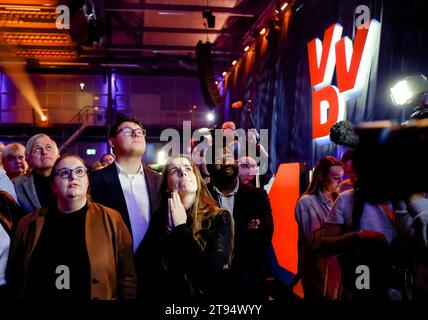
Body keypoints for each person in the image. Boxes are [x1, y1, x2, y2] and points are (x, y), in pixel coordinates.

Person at [7, 153, 136, 300]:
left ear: (88, 181)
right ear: (53, 185)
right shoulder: (28, 224)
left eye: (79, 171)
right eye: (64, 173)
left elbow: (127, 277)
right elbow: (15, 277)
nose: (72, 177)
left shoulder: (112, 219)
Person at [144, 155, 233, 302]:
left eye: (187, 168)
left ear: (197, 179)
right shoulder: (159, 218)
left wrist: (181, 228)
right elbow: (148, 270)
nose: (183, 173)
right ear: (166, 185)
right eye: (174, 171)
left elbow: (212, 279)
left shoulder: (219, 217)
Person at [90, 114, 161, 297]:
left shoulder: (159, 181)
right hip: (112, 273)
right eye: (128, 131)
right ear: (112, 142)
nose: (136, 135)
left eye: (139, 132)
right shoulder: (95, 181)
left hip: (155, 273)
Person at [206, 148, 273, 302]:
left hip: (249, 282)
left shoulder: (257, 196)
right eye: (218, 159)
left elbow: (264, 237)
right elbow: (202, 240)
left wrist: (222, 239)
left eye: (229, 157)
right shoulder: (202, 197)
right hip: (213, 283)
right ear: (209, 166)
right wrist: (245, 232)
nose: (225, 162)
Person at [295, 156, 343, 300]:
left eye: (341, 177)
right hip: (320, 273)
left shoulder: (339, 199)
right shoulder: (307, 202)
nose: (340, 181)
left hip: (340, 271)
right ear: (321, 177)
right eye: (335, 177)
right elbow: (315, 241)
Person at [13, 134, 59, 214]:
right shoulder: (15, 185)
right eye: (37, 149)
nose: (44, 152)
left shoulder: (69, 179)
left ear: (56, 155)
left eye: (49, 147)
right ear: (28, 158)